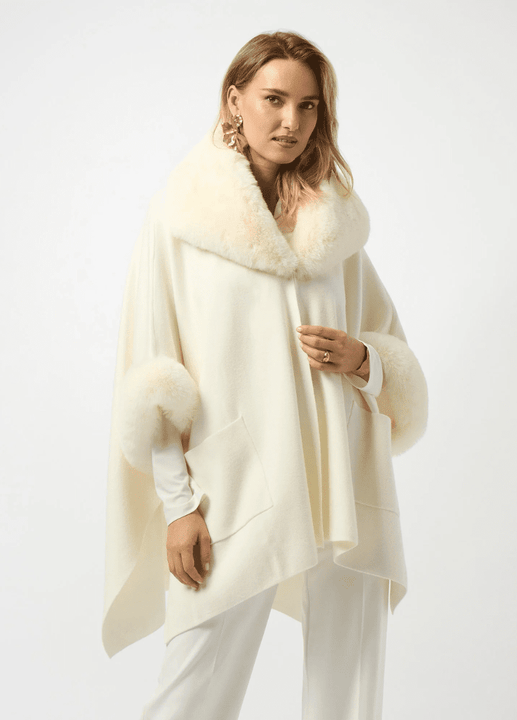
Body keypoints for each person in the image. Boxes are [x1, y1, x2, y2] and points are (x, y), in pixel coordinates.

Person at [103, 30, 428, 720]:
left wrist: (362, 360)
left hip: (344, 471)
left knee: (351, 689)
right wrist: (179, 507)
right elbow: (154, 377)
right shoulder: (181, 216)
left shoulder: (334, 220)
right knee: (195, 686)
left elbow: (387, 347)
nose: (291, 121)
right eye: (273, 100)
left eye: (308, 106)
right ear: (235, 101)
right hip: (237, 478)